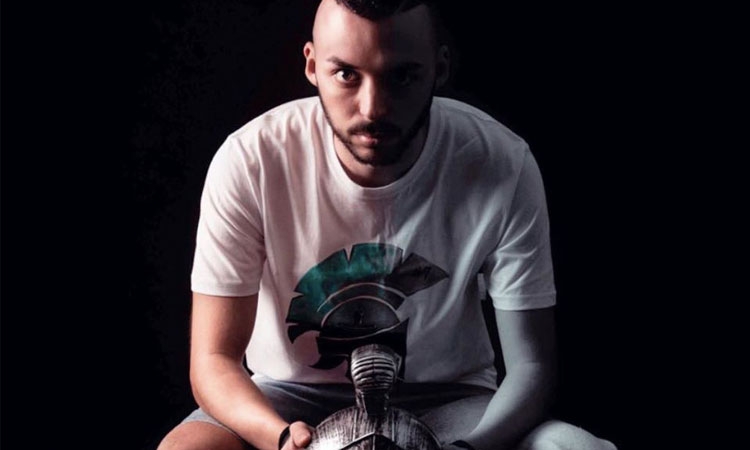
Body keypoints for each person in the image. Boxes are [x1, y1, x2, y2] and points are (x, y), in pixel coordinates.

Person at [158, 1, 618, 449]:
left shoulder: (500, 161)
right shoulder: (251, 160)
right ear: (313, 66)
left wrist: (470, 447)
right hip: (291, 399)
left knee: (571, 446)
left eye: (402, 76)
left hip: (447, 400)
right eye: (347, 74)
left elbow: (532, 365)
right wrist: (281, 439)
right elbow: (213, 358)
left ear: (439, 68)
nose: (373, 108)